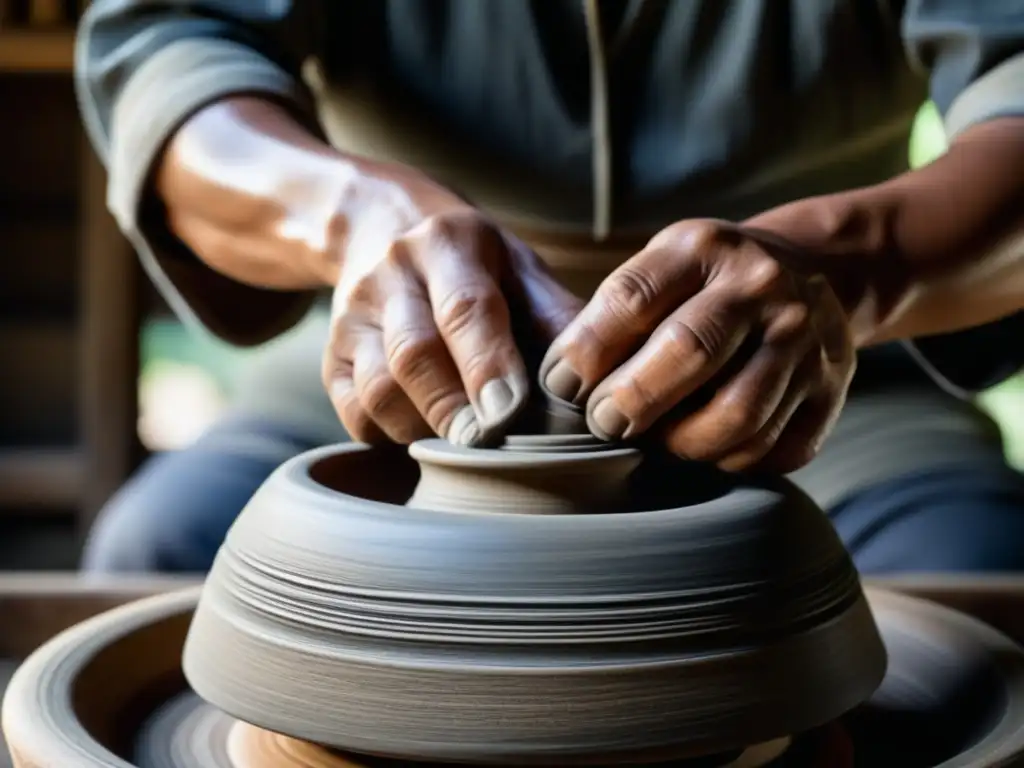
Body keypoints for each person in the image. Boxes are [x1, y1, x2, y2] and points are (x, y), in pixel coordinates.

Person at [75, 0, 1024, 575]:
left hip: (820, 386)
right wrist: (360, 222)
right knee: (164, 551)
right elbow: (168, 53)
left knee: (977, 572)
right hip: (394, 371)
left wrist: (848, 264)